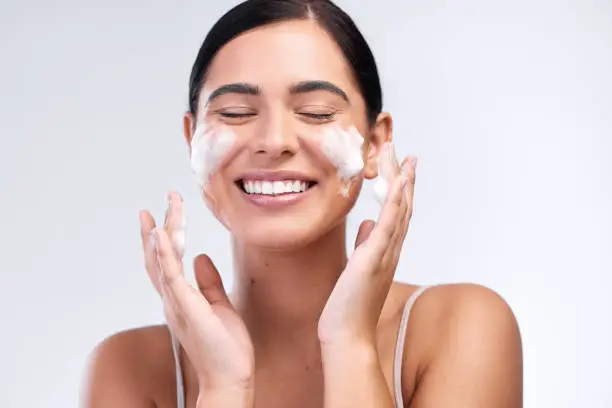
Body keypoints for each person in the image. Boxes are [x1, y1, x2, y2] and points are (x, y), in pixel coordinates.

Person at [81, 1, 523, 407]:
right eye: (235, 113)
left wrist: (350, 346)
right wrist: (223, 388)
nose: (273, 142)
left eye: (315, 112)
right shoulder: (130, 371)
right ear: (191, 139)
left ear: (375, 143)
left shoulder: (460, 329)